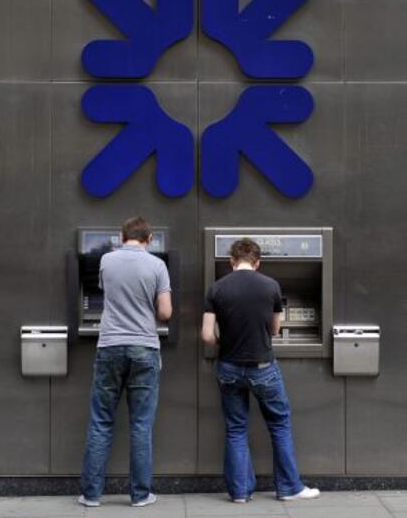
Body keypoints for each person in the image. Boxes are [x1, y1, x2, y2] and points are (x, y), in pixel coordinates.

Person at [201, 238, 320, 502]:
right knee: (279, 425)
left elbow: (207, 336)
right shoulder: (271, 286)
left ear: (232, 261)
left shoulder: (216, 289)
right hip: (263, 367)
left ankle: (240, 493)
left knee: (236, 428)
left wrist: (225, 342)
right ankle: (289, 488)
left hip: (229, 367)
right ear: (257, 263)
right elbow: (275, 329)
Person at [79, 216, 172, 508]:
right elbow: (166, 312)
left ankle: (91, 495)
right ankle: (140, 495)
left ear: (122, 237)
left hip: (109, 346)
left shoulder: (106, 260)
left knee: (101, 422)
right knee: (141, 425)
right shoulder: (158, 265)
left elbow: (106, 293)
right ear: (149, 238)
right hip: (144, 347)